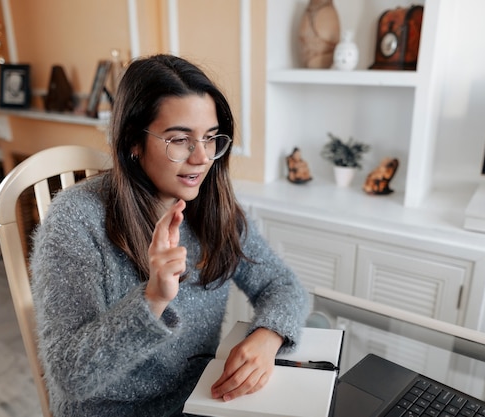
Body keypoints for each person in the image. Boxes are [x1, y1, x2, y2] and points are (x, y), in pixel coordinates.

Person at [30, 54, 309, 417]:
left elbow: (283, 285)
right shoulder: (76, 219)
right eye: (180, 140)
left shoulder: (215, 207)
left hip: (200, 399)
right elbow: (70, 375)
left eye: (210, 139)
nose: (201, 158)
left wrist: (267, 337)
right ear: (133, 141)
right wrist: (152, 299)